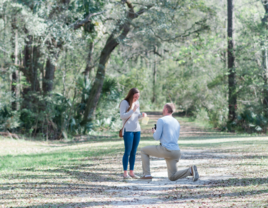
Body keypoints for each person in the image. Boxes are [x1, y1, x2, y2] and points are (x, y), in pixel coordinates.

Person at [140, 103, 199, 181]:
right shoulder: (176, 122)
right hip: (176, 152)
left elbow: (156, 137)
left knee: (143, 150)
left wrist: (154, 132)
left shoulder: (161, 120)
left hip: (166, 149)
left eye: (163, 108)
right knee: (172, 176)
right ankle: (190, 170)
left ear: (166, 109)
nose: (162, 110)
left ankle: (146, 175)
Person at [120, 88, 147, 179]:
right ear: (131, 95)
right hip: (128, 130)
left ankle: (132, 172)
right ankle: (125, 173)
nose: (136, 98)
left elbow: (136, 117)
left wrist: (142, 115)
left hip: (137, 130)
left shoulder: (137, 103)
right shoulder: (124, 103)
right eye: (135, 97)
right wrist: (133, 110)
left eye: (138, 97)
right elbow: (122, 116)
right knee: (127, 151)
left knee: (134, 152)